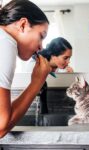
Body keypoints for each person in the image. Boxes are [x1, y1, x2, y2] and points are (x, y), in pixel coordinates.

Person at [0, 0, 51, 138]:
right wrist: (37, 83)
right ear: (23, 25)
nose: (41, 47)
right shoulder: (6, 42)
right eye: (41, 36)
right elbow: (1, 127)